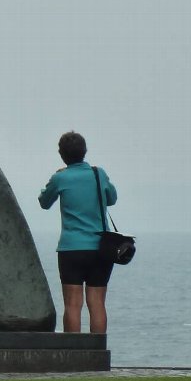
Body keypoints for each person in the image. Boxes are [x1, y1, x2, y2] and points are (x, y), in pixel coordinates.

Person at [38, 131, 118, 334]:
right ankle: (98, 352)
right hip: (100, 248)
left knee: (73, 304)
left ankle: (74, 353)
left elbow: (44, 202)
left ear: (62, 154)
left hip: (71, 248)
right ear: (85, 151)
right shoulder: (98, 174)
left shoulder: (60, 178)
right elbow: (112, 199)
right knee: (97, 303)